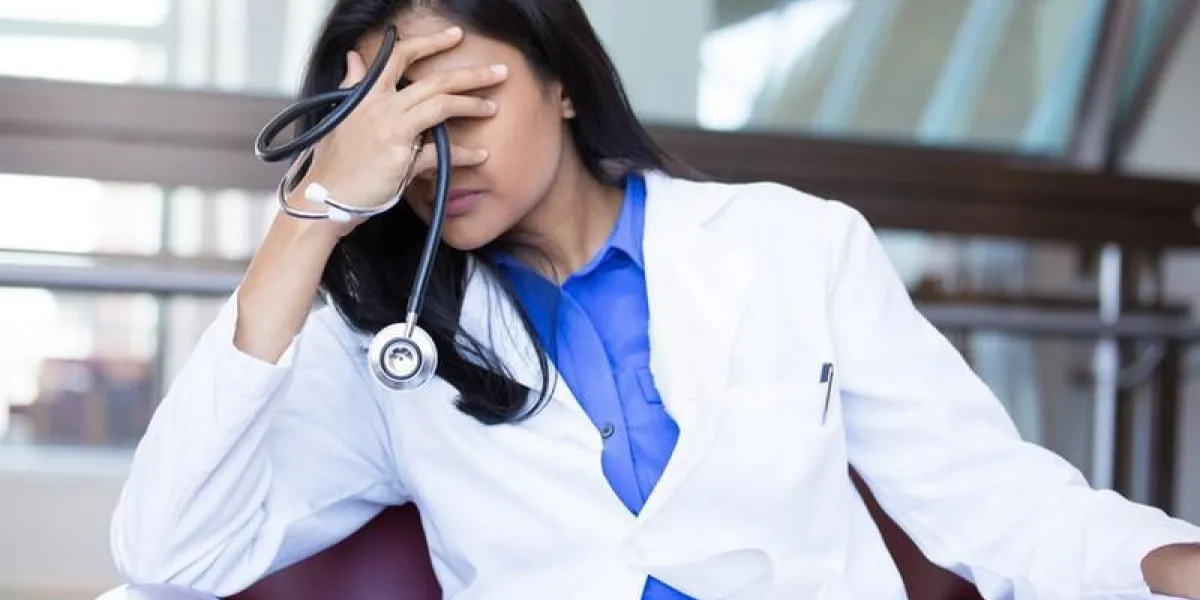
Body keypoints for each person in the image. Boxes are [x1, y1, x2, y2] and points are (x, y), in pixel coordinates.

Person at [110, 0, 1200, 598]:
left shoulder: (795, 246)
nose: (439, 152)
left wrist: (1154, 564)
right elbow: (169, 553)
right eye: (400, 123)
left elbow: (989, 497)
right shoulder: (389, 348)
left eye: (467, 102)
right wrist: (312, 216)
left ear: (564, 79)